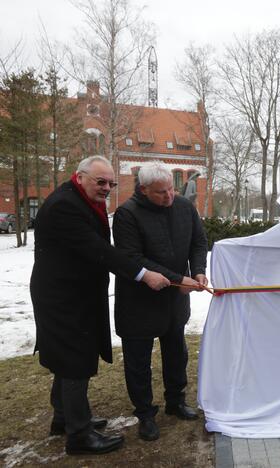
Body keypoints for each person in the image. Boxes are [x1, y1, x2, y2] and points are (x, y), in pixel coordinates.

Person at [30, 156, 171, 455]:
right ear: (79, 177)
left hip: (73, 293)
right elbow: (98, 251)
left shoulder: (78, 198)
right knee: (74, 362)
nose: (107, 188)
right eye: (100, 182)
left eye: (111, 183)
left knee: (67, 357)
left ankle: (64, 417)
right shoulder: (65, 207)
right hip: (62, 298)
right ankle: (79, 436)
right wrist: (143, 274)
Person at [113, 162, 208, 441]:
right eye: (160, 192)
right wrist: (180, 278)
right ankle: (144, 413)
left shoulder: (184, 207)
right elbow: (132, 258)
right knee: (138, 361)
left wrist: (199, 270)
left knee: (176, 352)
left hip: (174, 302)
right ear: (143, 190)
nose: (169, 197)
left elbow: (198, 242)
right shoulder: (127, 214)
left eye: (171, 189)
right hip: (138, 302)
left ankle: (176, 401)